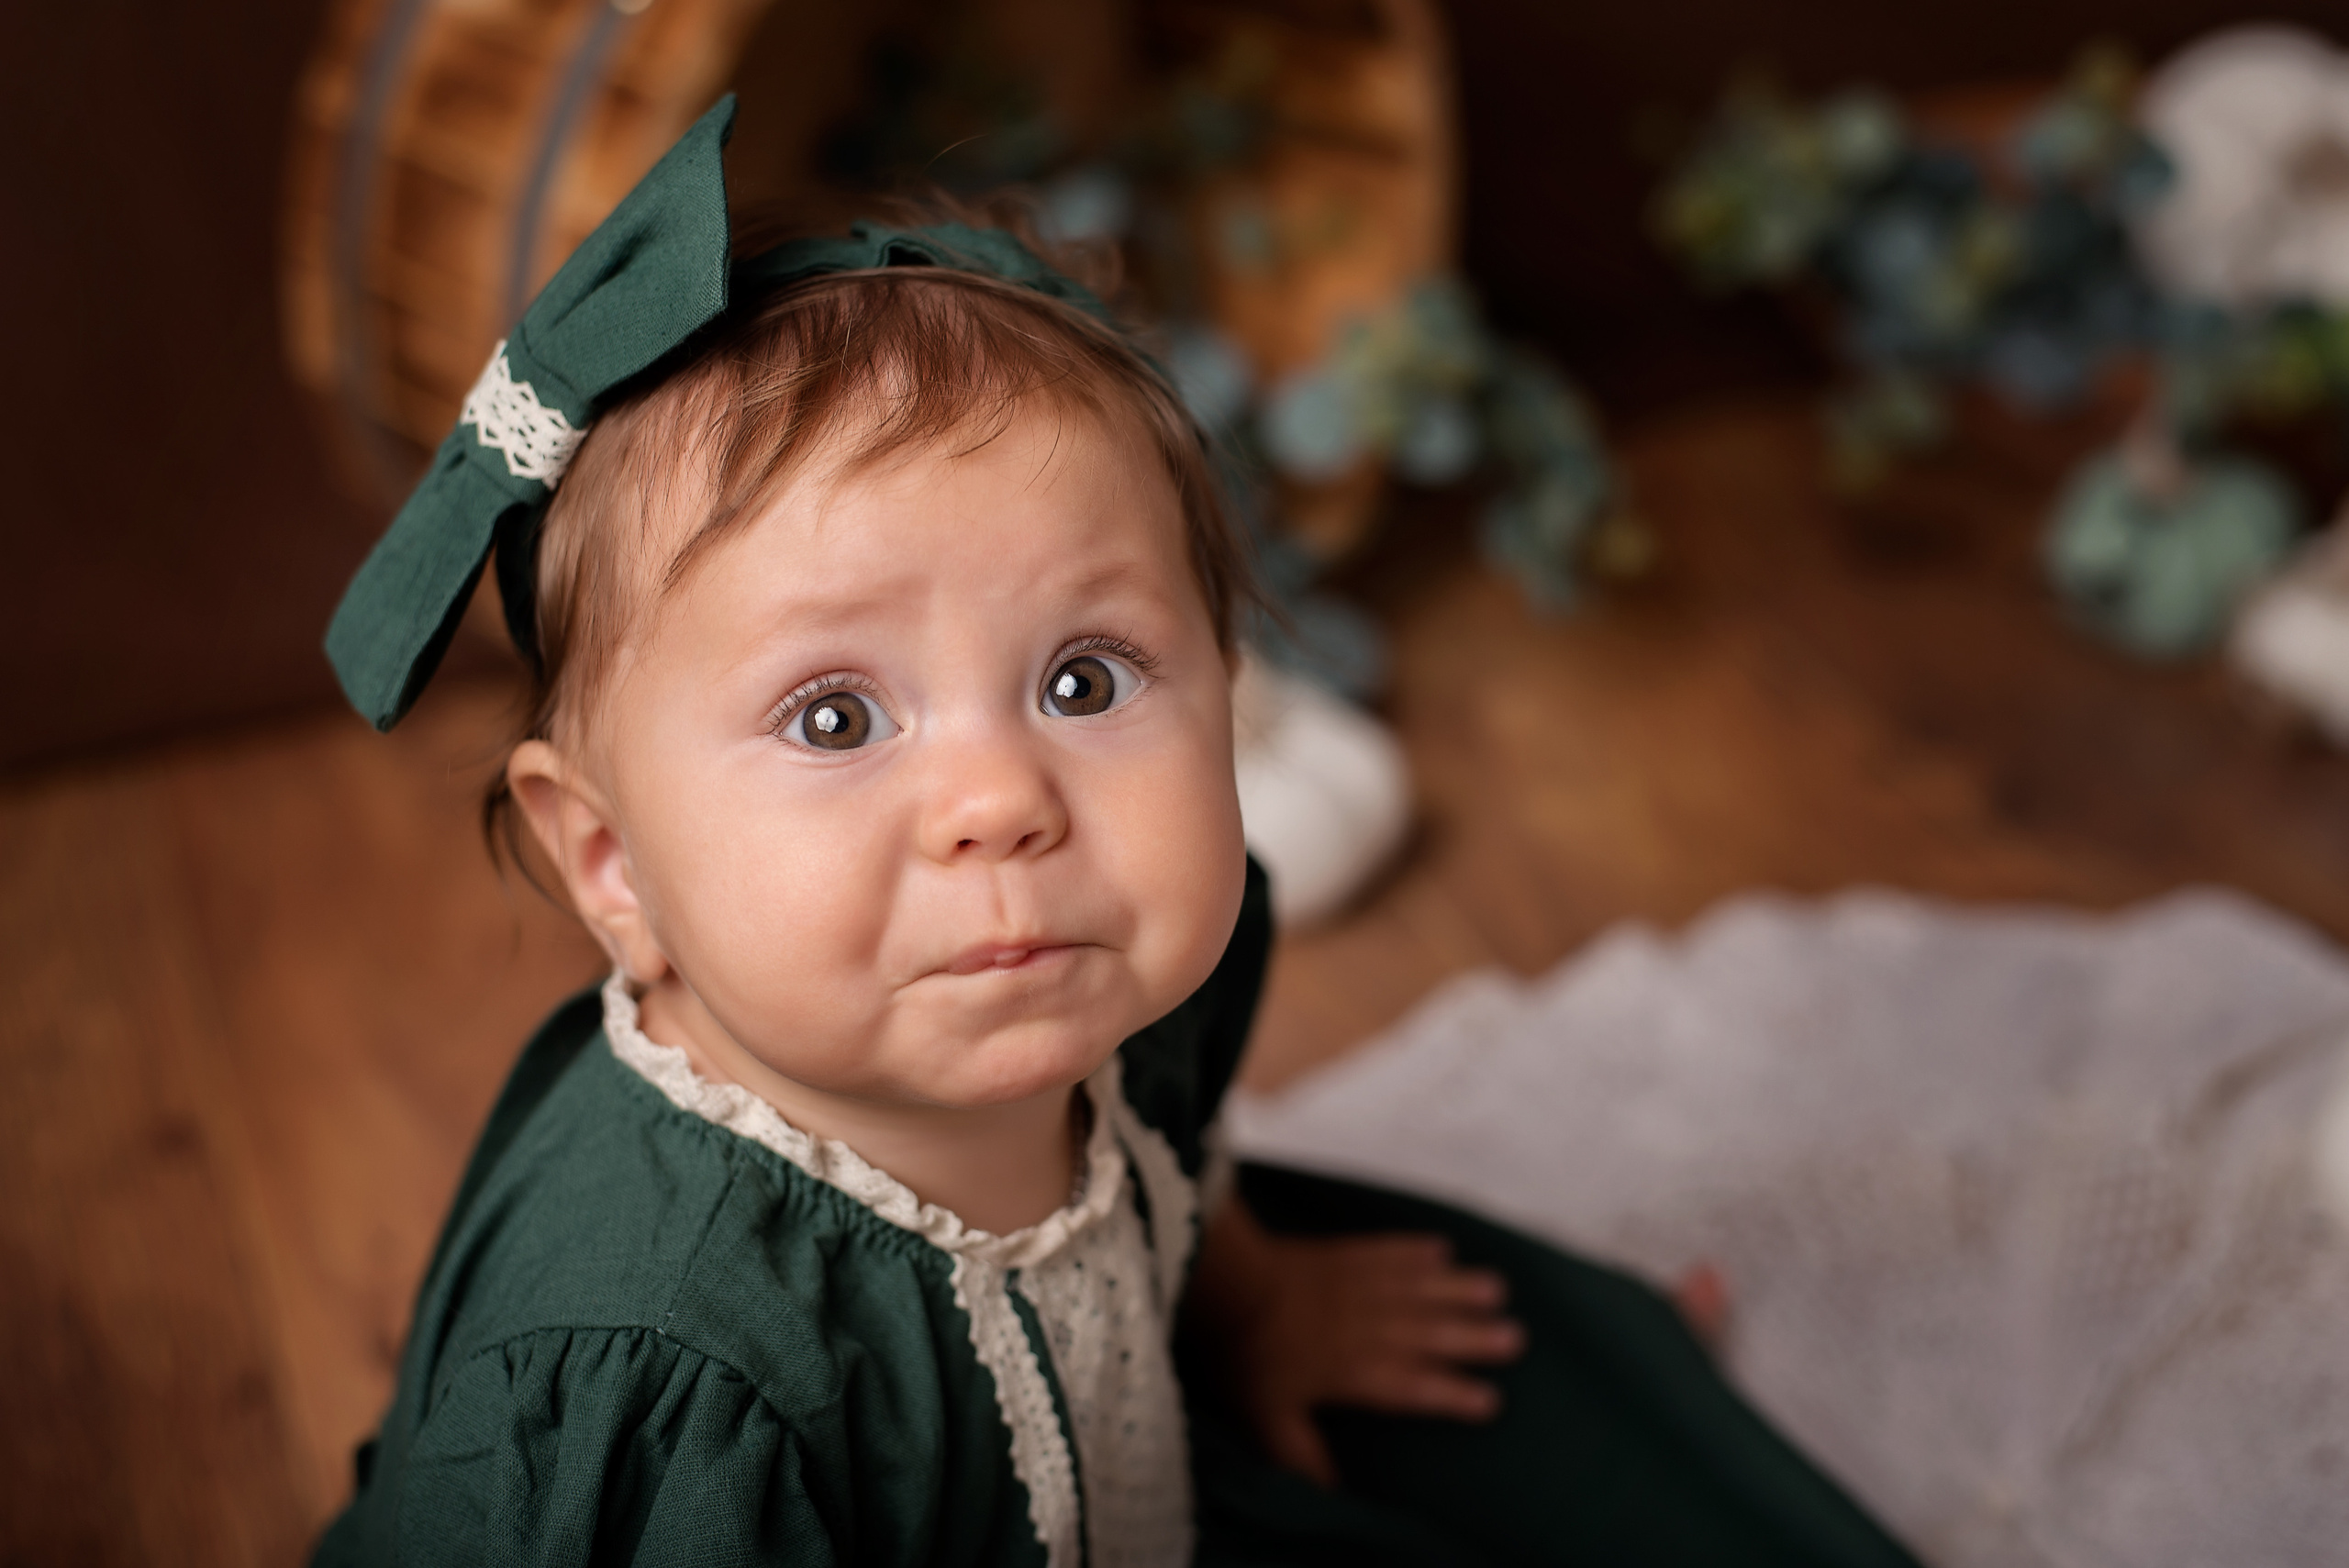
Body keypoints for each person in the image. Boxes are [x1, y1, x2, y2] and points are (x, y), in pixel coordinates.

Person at [314, 97, 1916, 1567]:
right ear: (611, 865)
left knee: (1554, 1397)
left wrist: (1256, 1299)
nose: (1002, 800)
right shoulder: (667, 1382)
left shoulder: (1051, 974)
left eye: (1084, 677)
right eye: (834, 717)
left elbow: (1151, 1161)